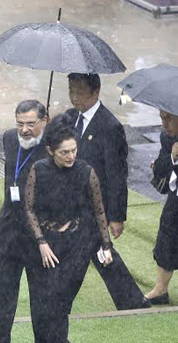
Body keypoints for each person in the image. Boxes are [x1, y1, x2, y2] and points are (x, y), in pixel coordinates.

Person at [24, 115, 113, 343]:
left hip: (76, 245)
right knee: (42, 309)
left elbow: (99, 210)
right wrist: (41, 242)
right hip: (44, 246)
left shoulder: (86, 172)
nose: (71, 156)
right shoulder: (38, 170)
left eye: (74, 150)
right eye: (64, 152)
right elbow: (29, 209)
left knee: (59, 306)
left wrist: (106, 245)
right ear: (51, 150)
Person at [65, 73, 150, 310]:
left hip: (95, 204)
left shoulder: (109, 126)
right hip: (71, 202)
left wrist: (116, 216)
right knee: (92, 250)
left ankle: (131, 300)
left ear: (96, 92)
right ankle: (131, 299)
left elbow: (116, 174)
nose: (74, 97)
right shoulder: (70, 118)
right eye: (71, 90)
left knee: (98, 250)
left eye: (79, 92)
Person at [0, 100, 49, 343]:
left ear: (44, 121)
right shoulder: (9, 138)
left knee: (42, 295)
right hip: (9, 229)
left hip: (40, 234)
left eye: (30, 124)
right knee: (3, 289)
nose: (24, 130)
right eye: (20, 124)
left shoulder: (53, 145)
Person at [146, 111, 178, 304]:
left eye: (168, 118)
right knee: (167, 230)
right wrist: (173, 156)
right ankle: (161, 289)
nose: (164, 124)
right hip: (176, 195)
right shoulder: (167, 137)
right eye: (161, 117)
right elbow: (159, 167)